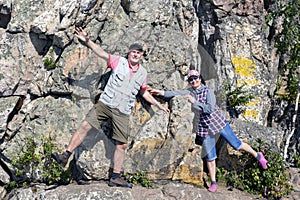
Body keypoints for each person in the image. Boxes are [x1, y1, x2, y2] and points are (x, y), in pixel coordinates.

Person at [51, 27, 170, 188]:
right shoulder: (118, 61)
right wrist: (87, 40)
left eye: (139, 53)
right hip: (106, 104)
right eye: (133, 52)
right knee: (85, 125)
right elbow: (101, 53)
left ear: (141, 56)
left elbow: (143, 92)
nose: (136, 55)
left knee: (121, 144)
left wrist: (158, 105)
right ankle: (66, 155)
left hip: (122, 111)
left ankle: (115, 176)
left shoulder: (143, 72)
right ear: (129, 53)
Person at [148, 69, 268, 193]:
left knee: (236, 145)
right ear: (189, 82)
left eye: (195, 78)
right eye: (191, 79)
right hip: (204, 127)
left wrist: (194, 102)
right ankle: (214, 182)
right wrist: (160, 92)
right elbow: (175, 93)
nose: (194, 81)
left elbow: (209, 108)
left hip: (218, 123)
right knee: (210, 157)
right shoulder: (189, 92)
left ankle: (258, 155)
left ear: (200, 78)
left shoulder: (208, 91)